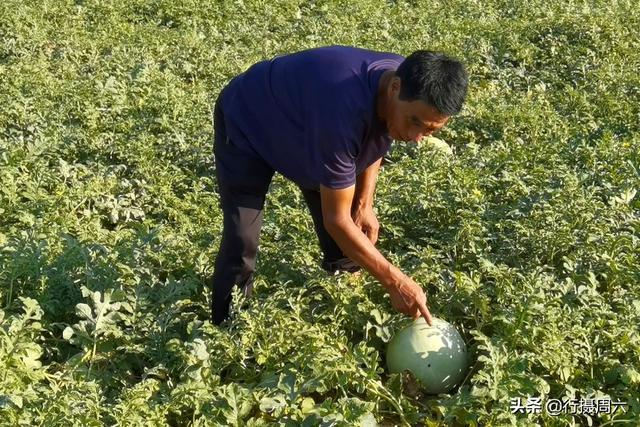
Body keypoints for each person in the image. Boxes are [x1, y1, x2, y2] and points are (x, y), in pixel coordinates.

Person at [211, 45, 468, 325]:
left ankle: (343, 281)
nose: (415, 136)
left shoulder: (402, 84)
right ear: (395, 87)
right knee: (242, 237)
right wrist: (395, 281)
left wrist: (364, 203)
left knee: (342, 198)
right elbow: (337, 220)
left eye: (431, 130)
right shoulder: (341, 112)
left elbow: (378, 136)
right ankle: (228, 325)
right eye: (414, 122)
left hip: (303, 121)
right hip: (247, 116)